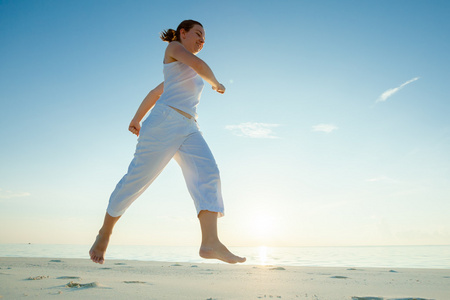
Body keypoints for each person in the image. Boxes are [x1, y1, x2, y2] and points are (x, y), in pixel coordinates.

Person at [89, 20, 246, 265]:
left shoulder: (185, 71)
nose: (202, 39)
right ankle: (105, 232)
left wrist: (136, 117)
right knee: (137, 180)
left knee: (208, 173)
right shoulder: (173, 48)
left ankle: (210, 242)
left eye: (205, 37)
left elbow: (157, 90)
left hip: (189, 126)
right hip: (164, 122)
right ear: (182, 33)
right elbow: (197, 65)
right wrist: (216, 83)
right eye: (198, 33)